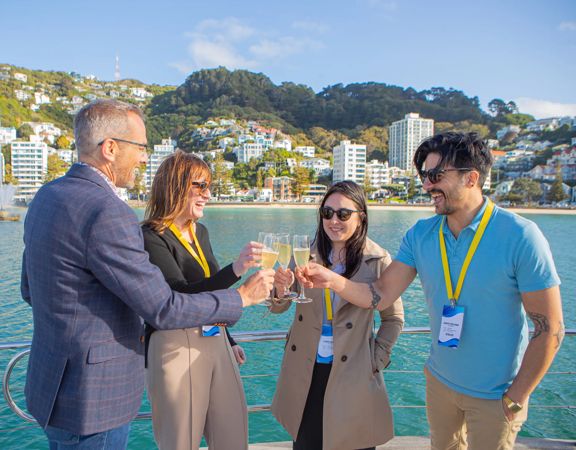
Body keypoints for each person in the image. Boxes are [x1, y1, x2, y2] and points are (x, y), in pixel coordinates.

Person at [20, 99, 274, 450]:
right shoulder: (109, 212)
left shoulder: (46, 198)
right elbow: (164, 308)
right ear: (110, 148)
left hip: (50, 384)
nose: (143, 158)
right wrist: (242, 297)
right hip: (96, 396)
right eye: (140, 147)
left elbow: (30, 290)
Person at [299, 132, 564, 450]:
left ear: (471, 178)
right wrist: (331, 279)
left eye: (436, 175)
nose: (427, 185)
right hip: (440, 385)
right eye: (424, 176)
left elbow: (550, 329)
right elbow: (381, 293)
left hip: (497, 395)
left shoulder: (521, 236)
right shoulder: (421, 234)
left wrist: (518, 396)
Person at [271, 181, 404, 450]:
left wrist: (375, 359)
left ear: (360, 217)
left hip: (353, 371)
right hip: (307, 367)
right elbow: (280, 306)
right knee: (307, 443)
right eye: (327, 212)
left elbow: (394, 318)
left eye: (343, 214)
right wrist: (280, 289)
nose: (334, 220)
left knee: (353, 443)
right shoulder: (304, 254)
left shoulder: (377, 260)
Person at [142, 151, 255, 450]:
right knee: (181, 443)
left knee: (233, 436)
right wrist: (237, 270)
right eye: (200, 186)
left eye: (209, 187)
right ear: (175, 186)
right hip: (173, 345)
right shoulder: (151, 236)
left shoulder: (199, 232)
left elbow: (210, 295)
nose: (207, 194)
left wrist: (229, 340)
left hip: (215, 339)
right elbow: (177, 295)